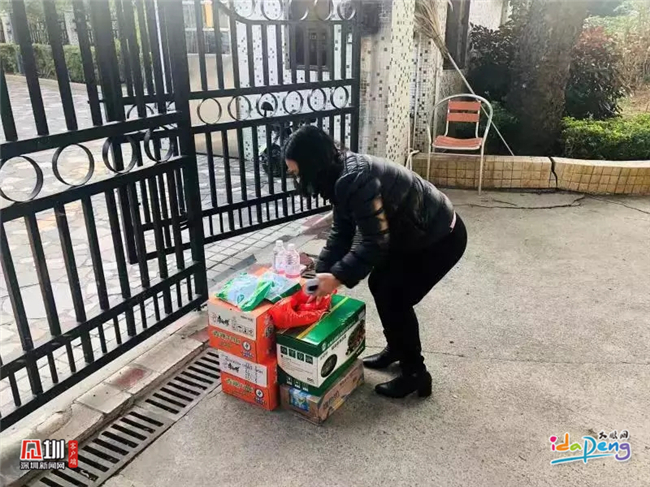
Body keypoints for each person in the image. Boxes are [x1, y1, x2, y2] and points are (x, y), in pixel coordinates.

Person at [284, 126, 467, 399]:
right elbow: (342, 232)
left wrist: (336, 277)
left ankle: (415, 374)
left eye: (298, 173)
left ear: (313, 164)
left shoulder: (353, 178)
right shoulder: (340, 175)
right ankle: (397, 348)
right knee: (381, 284)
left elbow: (374, 242)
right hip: (412, 233)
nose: (298, 180)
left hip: (440, 237)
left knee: (395, 296)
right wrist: (320, 273)